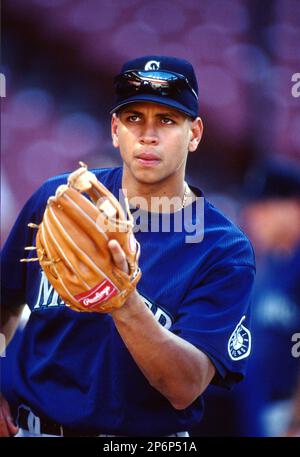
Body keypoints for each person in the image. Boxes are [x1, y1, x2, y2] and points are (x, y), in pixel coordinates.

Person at [0, 55, 255, 437]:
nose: (148, 135)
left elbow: (185, 387)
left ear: (195, 133)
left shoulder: (223, 249)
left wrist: (124, 301)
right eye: (134, 118)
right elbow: (3, 302)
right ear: (115, 130)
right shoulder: (59, 201)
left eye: (167, 120)